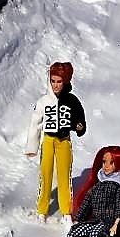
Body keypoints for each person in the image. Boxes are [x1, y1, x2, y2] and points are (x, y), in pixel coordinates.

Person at [25, 62, 86, 224]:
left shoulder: (72, 100)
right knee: (45, 175)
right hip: (48, 141)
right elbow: (35, 124)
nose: (56, 85)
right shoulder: (43, 101)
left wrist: (79, 126)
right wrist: (32, 146)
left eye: (59, 81)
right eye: (53, 81)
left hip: (64, 141)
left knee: (64, 176)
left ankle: (66, 211)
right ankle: (42, 209)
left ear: (65, 81)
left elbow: (79, 118)